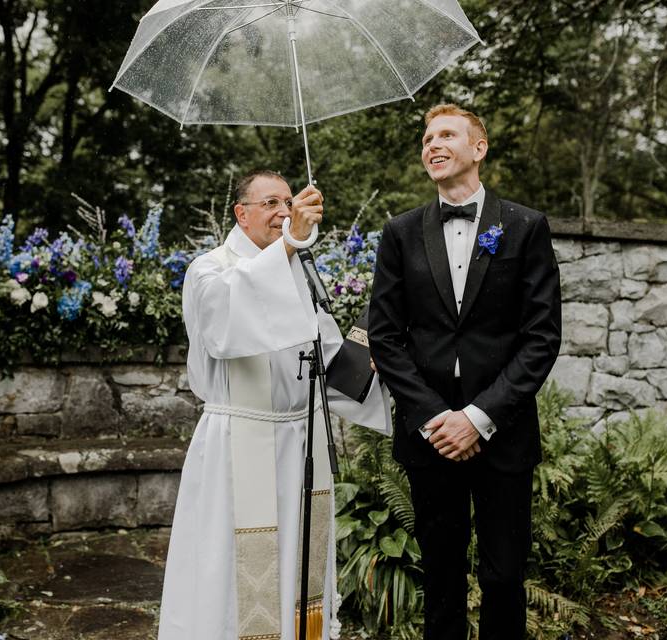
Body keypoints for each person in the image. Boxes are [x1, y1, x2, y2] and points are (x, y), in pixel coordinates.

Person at [158, 170, 391, 640]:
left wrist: (388, 350)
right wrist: (291, 244)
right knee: (227, 566)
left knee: (296, 563)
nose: (284, 212)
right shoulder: (209, 269)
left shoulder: (298, 277)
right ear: (241, 213)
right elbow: (224, 322)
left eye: (288, 202)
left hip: (298, 445)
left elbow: (330, 367)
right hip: (236, 446)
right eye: (270, 204)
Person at [368, 104, 562, 639]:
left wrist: (478, 417)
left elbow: (541, 337)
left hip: (504, 432)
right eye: (427, 137)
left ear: (479, 148)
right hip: (430, 439)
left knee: (503, 575)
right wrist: (435, 418)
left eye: (446, 134)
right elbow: (384, 336)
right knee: (441, 575)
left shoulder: (524, 228)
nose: (432, 144)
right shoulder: (400, 233)